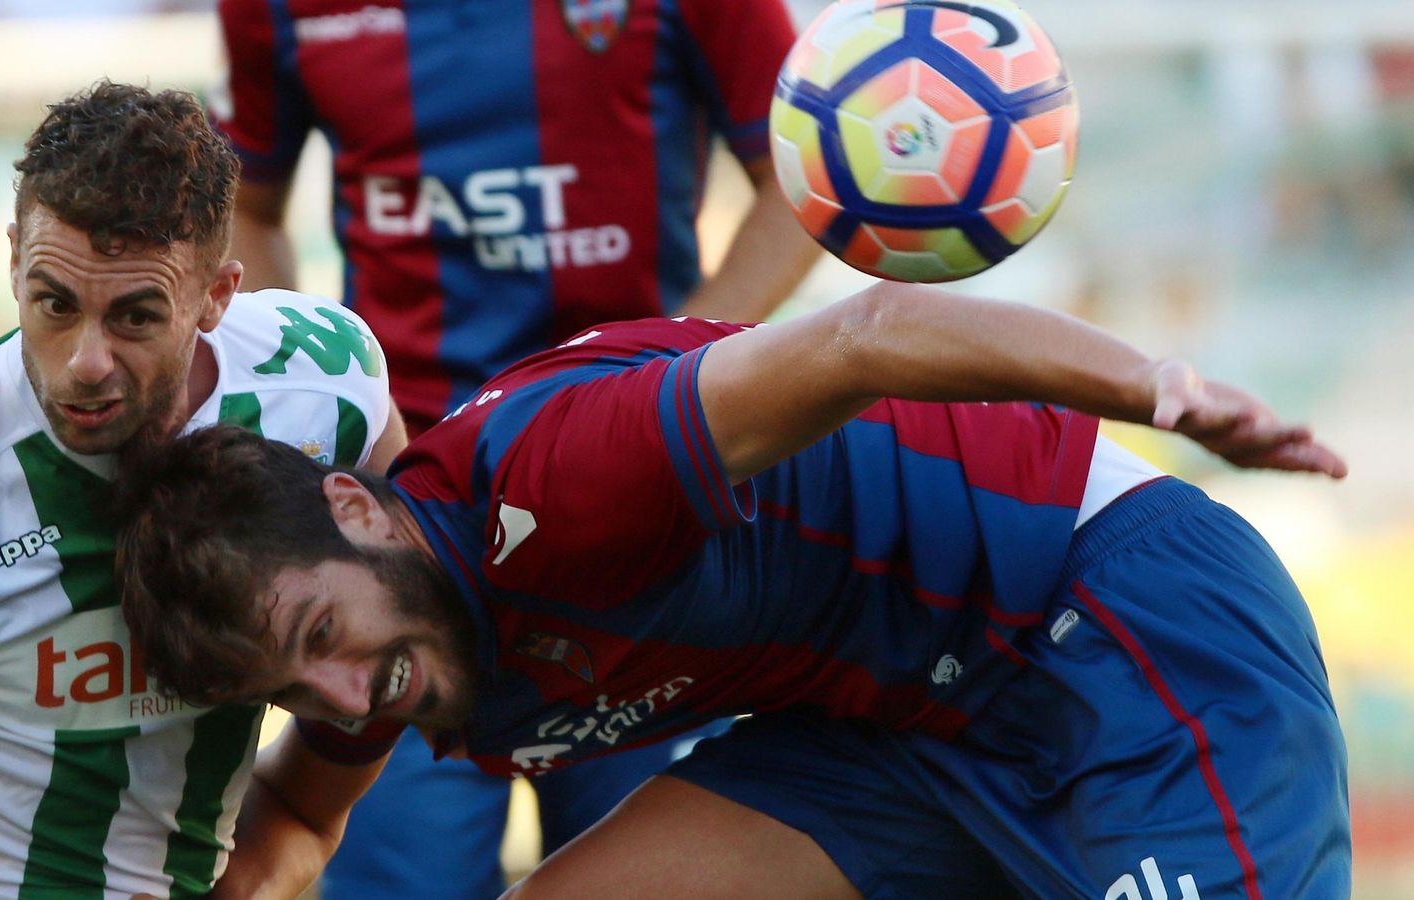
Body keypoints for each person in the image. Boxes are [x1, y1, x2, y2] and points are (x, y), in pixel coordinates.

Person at [116, 282, 1352, 900]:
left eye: (319, 638)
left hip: (1093, 610)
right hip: (899, 731)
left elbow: (862, 335)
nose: (339, 695)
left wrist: (1153, 388)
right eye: (294, 688)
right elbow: (293, 824)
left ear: (356, 507)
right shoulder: (376, 635)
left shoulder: (553, 480)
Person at [212, 0, 822, 891]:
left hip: (639, 527)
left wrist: (686, 361)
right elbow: (251, 207)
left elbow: (800, 175)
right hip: (406, 545)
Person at [0, 80, 405, 898]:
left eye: (133, 315)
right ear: (14, 258)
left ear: (217, 297)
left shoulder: (331, 390)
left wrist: (285, 842)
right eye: (54, 304)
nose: (84, 362)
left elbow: (400, 630)